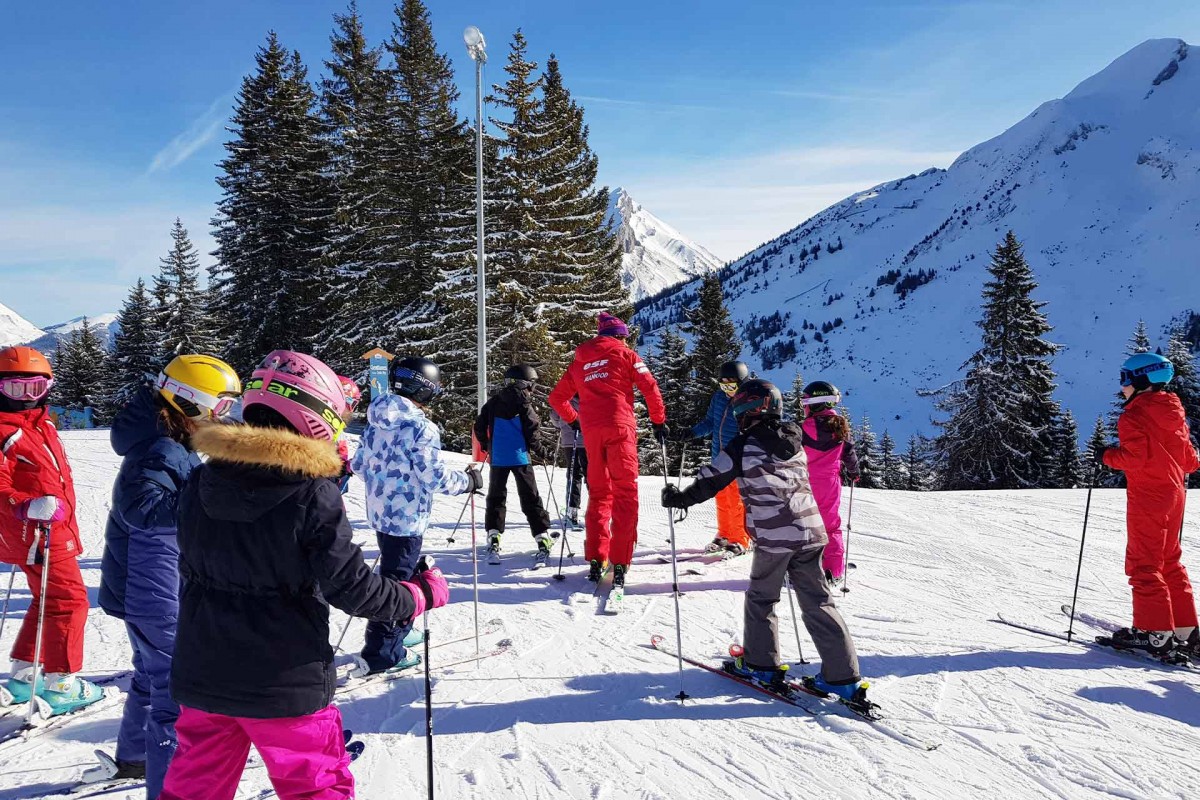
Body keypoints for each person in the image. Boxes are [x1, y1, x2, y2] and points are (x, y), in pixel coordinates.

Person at [160, 350, 450, 800]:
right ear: (317, 416)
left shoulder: (202, 480)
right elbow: (352, 588)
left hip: (203, 676)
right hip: (284, 682)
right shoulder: (311, 493)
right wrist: (416, 596)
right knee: (316, 788)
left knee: (192, 789)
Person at [661, 379, 867, 701]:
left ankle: (760, 665)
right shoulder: (795, 436)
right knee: (819, 602)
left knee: (761, 599)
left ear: (748, 410)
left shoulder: (742, 445)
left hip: (775, 536)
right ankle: (843, 677)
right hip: (812, 532)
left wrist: (679, 498)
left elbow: (710, 480)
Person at [99, 355, 241, 797]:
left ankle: (135, 756)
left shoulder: (166, 444)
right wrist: (205, 499)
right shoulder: (160, 451)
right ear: (190, 405)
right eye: (220, 409)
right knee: (174, 697)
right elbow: (142, 510)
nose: (225, 419)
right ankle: (166, 788)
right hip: (153, 592)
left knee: (149, 676)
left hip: (145, 588)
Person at [351, 357, 481, 674]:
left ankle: (402, 629)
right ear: (423, 391)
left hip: (381, 514)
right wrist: (467, 482)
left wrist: (384, 481)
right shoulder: (420, 428)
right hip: (407, 519)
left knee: (400, 572)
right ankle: (382, 652)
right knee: (396, 583)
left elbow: (358, 466)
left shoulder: (374, 420)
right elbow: (432, 476)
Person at [0, 346, 102, 716]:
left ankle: (24, 673)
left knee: (49, 600)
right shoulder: (5, 431)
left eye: (36, 388)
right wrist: (24, 505)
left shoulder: (39, 426)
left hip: (49, 529)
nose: (27, 398)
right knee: (70, 600)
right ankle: (62, 681)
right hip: (34, 532)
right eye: (16, 389)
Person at [548, 312, 668, 590]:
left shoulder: (580, 360)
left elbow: (556, 398)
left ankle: (596, 557)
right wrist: (658, 421)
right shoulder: (627, 355)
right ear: (620, 336)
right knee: (625, 492)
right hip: (620, 428)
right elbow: (650, 386)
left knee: (600, 494)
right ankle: (620, 560)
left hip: (591, 432)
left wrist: (574, 420)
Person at [1101, 352, 1200, 660]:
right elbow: (1191, 461)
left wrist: (1105, 456)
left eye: (1125, 380)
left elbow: (1135, 459)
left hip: (1149, 497)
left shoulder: (1134, 416)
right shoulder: (1173, 413)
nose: (1122, 388)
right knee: (1169, 560)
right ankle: (1185, 631)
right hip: (1175, 494)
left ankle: (1154, 633)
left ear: (1141, 381)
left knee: (1144, 564)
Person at [474, 364, 552, 559]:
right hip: (520, 458)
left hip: (498, 458)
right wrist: (542, 452)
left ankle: (494, 536)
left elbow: (479, 425)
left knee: (496, 497)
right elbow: (532, 432)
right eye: (532, 384)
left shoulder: (493, 403)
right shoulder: (525, 404)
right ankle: (542, 536)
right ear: (525, 383)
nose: (532, 389)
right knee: (530, 497)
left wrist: (486, 445)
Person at [678, 360, 752, 556]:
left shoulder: (748, 401)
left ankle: (741, 539)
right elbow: (710, 422)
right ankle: (725, 534)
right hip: (718, 458)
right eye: (723, 385)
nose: (727, 389)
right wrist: (692, 433)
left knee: (736, 500)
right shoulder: (719, 397)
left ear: (742, 382)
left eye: (731, 385)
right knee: (722, 498)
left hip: (738, 460)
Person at [799, 380, 860, 586]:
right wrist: (854, 472)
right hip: (829, 484)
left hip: (804, 484)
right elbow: (849, 453)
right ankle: (832, 571)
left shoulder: (802, 429)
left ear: (815, 404)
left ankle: (804, 572)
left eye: (805, 402)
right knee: (830, 526)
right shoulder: (840, 427)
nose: (804, 407)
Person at [550, 399, 586, 529]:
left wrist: (561, 424)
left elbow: (554, 415)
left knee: (574, 474)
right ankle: (597, 510)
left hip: (569, 440)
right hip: (589, 440)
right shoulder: (588, 391)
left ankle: (572, 511)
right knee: (591, 475)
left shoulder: (566, 397)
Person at [334, 375, 361, 492]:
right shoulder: (329, 424)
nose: (351, 410)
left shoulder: (337, 424)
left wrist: (346, 466)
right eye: (352, 404)